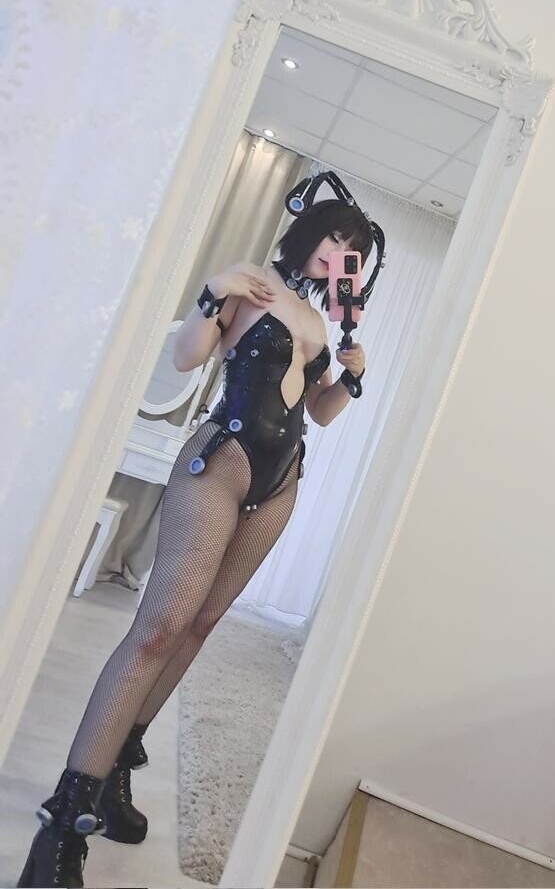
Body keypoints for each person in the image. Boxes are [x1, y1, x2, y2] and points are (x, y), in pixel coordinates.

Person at [16, 178, 385, 889]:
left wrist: (352, 377)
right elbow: (187, 358)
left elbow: (320, 413)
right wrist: (214, 293)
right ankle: (63, 825)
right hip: (218, 464)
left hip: (280, 483)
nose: (341, 252)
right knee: (159, 628)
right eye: (336, 237)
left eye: (354, 250)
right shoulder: (250, 285)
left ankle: (117, 770)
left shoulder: (320, 322)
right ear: (309, 233)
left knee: (200, 625)